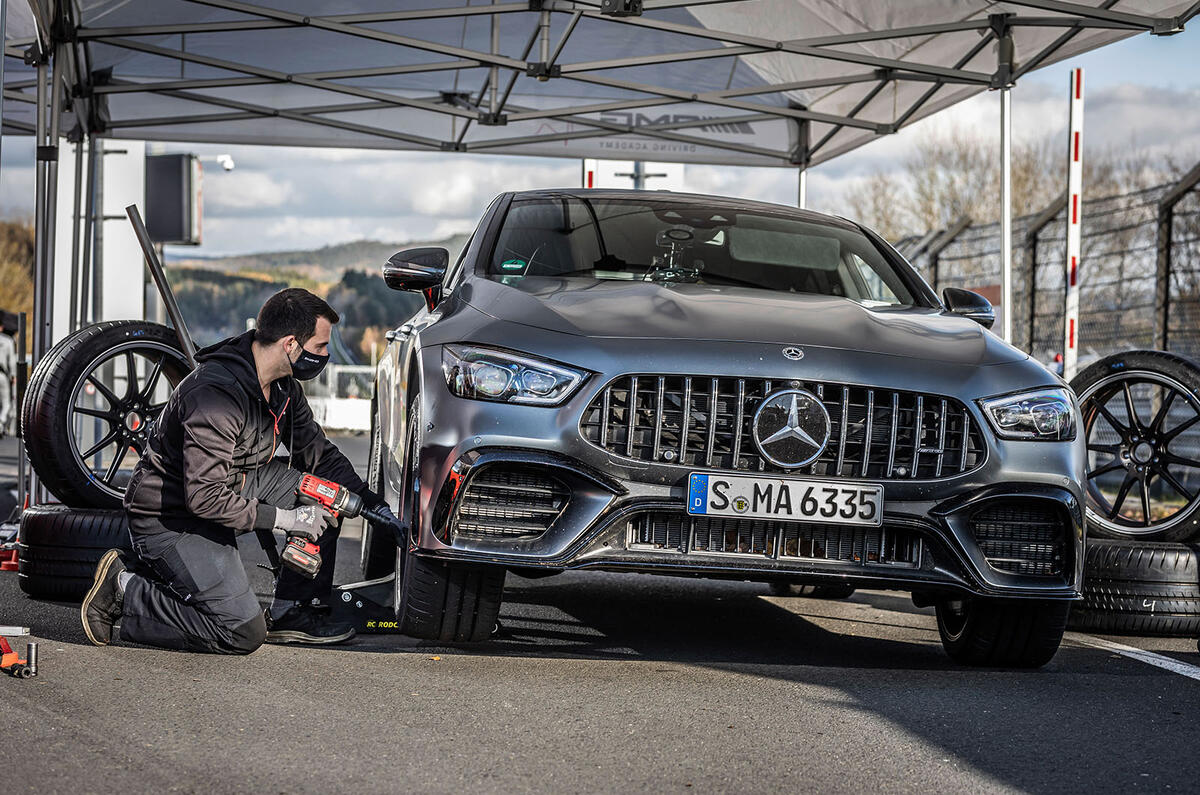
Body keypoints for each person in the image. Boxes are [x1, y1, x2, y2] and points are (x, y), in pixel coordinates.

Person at [80, 288, 397, 654]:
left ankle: (291, 612)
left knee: (326, 494)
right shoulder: (215, 397)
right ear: (291, 344)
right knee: (242, 631)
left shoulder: (283, 389)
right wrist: (287, 520)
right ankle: (126, 589)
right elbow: (204, 497)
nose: (325, 355)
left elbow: (319, 455)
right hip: (173, 517)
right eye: (321, 346)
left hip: (236, 485)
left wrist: (372, 505)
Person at [0, 313, 16, 439]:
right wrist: (14, 376)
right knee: (7, 403)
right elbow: (11, 361)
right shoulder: (8, 341)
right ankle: (0, 423)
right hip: (2, 375)